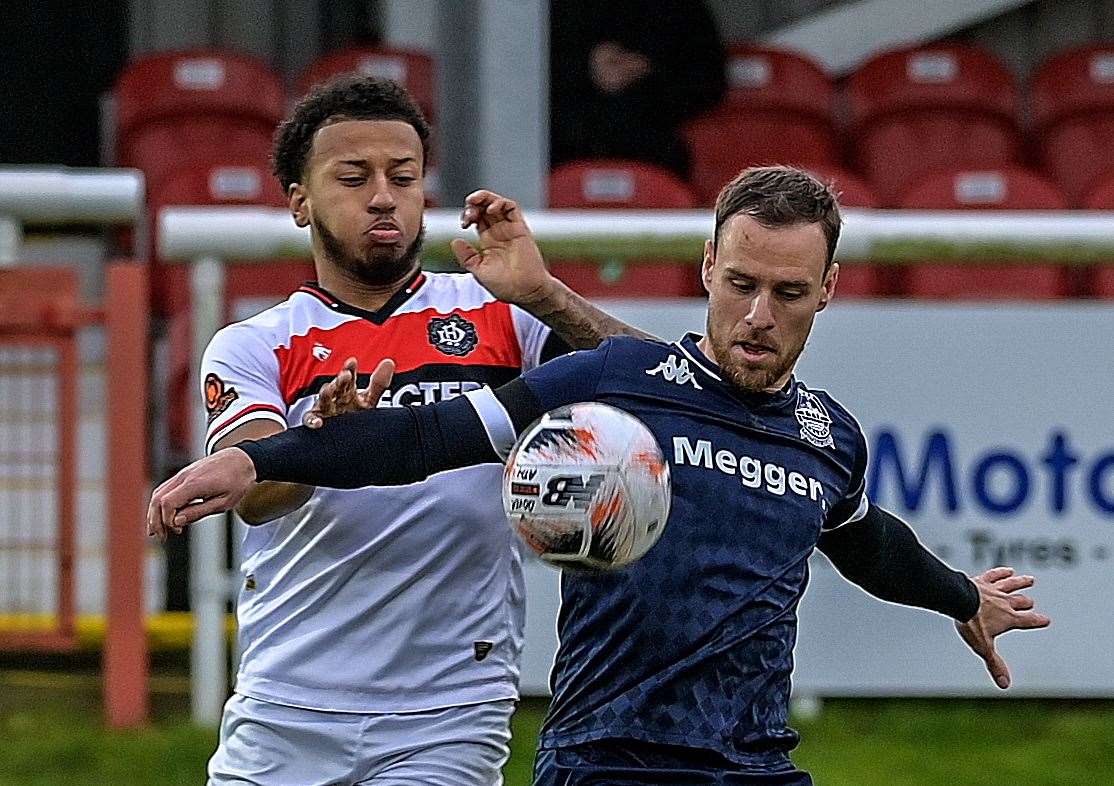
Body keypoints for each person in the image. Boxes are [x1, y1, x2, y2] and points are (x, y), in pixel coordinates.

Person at [151, 166, 1051, 785]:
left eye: (788, 293)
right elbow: (421, 438)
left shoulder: (826, 436)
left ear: (828, 290)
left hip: (755, 764)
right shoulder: (611, 383)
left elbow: (868, 542)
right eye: (739, 283)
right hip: (604, 761)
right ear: (707, 268)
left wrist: (959, 596)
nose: (758, 314)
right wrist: (256, 458)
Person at [189, 75, 646, 785]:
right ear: (299, 201)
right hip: (288, 702)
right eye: (354, 176)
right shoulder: (255, 343)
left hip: (449, 712)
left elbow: (657, 387)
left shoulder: (501, 315)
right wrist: (326, 450)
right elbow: (255, 491)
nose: (383, 196)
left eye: (403, 176)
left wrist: (546, 294)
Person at [550, 0, 726, 178]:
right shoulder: (554, 9)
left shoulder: (681, 9)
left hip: (654, 151)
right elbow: (529, 76)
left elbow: (710, 80)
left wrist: (648, 71)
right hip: (565, 148)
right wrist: (585, 69)